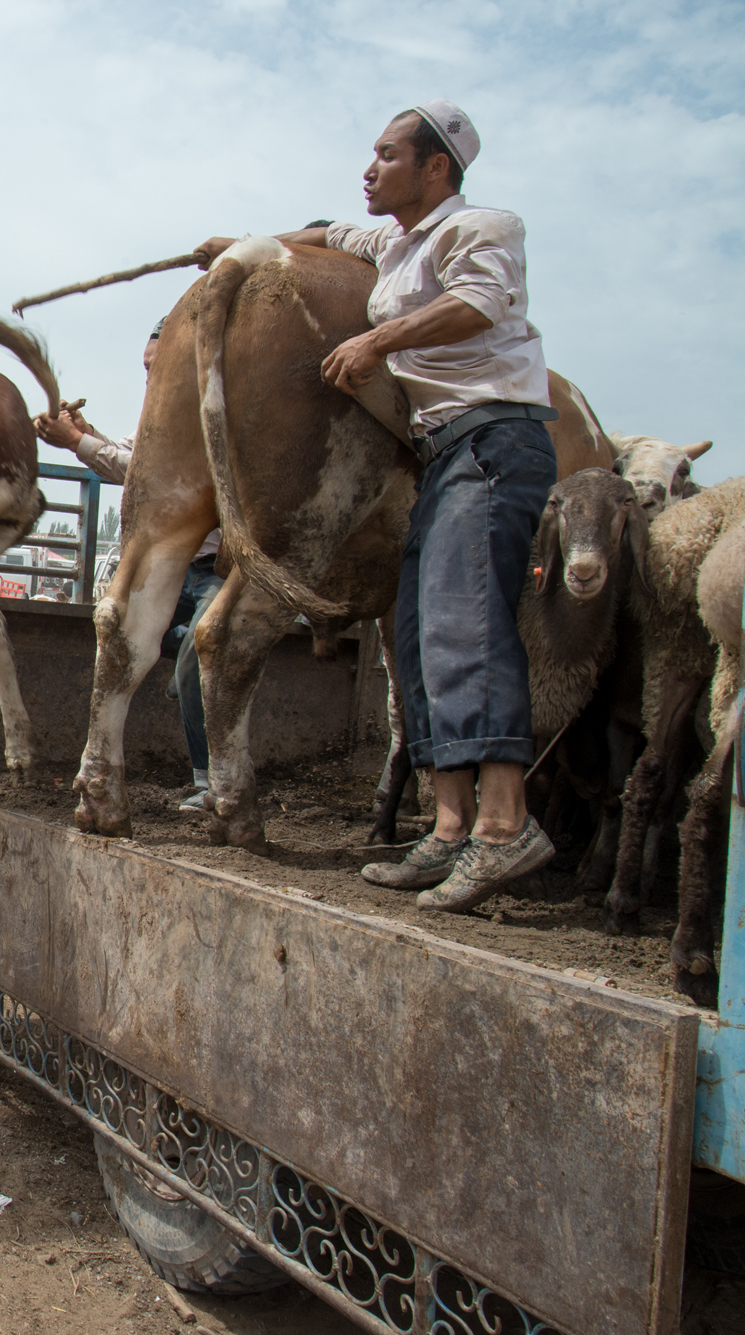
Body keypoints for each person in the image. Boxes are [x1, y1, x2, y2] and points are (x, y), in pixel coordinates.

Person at [191, 101, 556, 910]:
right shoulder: (393, 242)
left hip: (494, 438)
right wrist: (246, 245)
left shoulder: (484, 228)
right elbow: (324, 231)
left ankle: (506, 825)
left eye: (387, 155)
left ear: (437, 169)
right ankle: (450, 827)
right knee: (423, 630)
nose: (370, 167)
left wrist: (376, 342)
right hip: (443, 449)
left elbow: (482, 304)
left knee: (469, 620)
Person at [36, 322, 222, 812]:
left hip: (215, 567)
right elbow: (138, 458)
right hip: (172, 569)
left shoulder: (212, 413)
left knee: (198, 660)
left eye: (158, 368)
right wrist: (85, 435)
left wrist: (77, 444)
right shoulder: (160, 417)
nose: (150, 378)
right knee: (121, 639)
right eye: (146, 369)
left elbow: (147, 475)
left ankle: (210, 781)